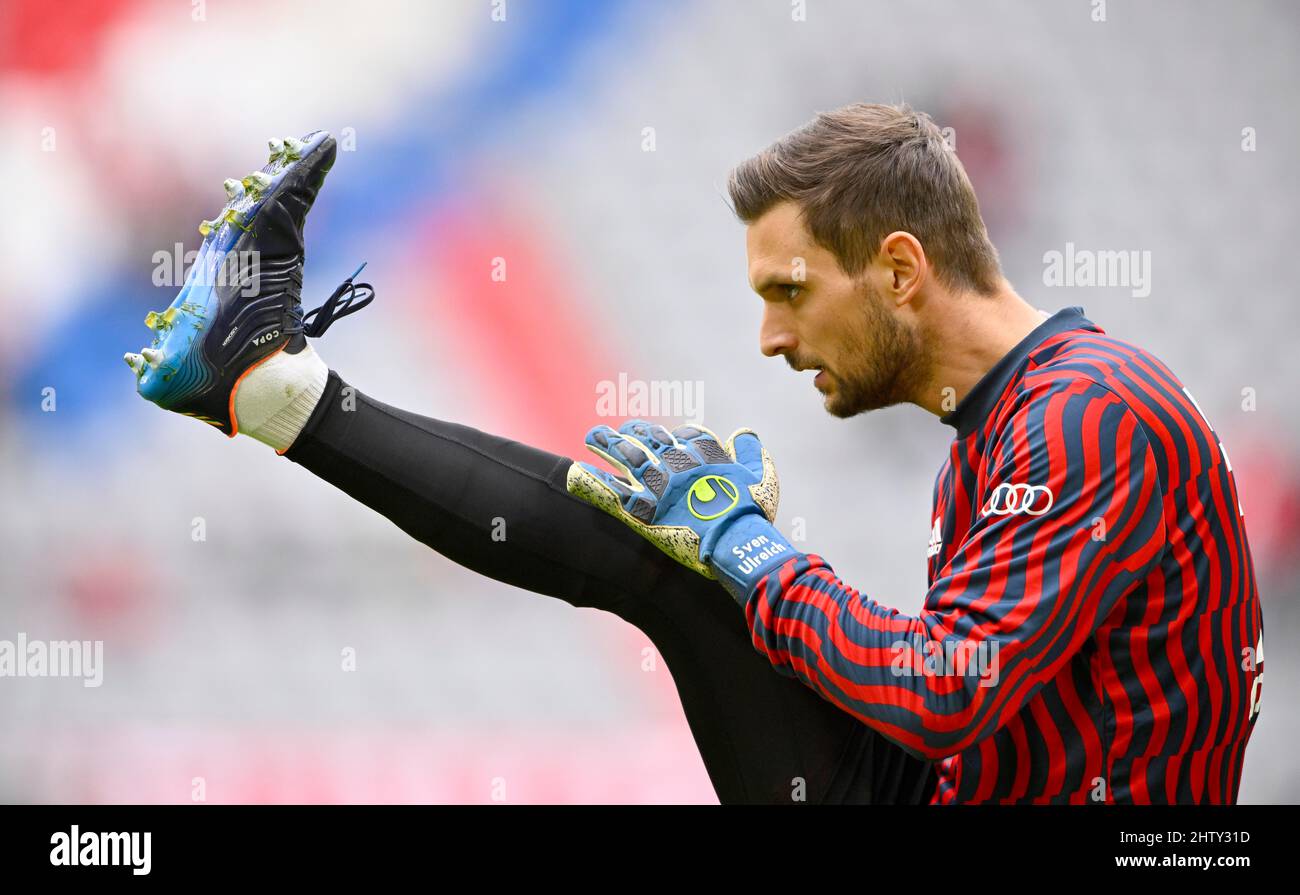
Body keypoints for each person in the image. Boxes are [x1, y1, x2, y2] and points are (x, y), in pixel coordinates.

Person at [127, 105, 1263, 804]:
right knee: (670, 552)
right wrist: (742, 558)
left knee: (686, 560)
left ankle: (266, 385)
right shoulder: (1031, 413)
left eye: (789, 292)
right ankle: (268, 385)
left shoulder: (1086, 417)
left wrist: (758, 557)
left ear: (902, 271)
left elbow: (945, 690)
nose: (770, 336)